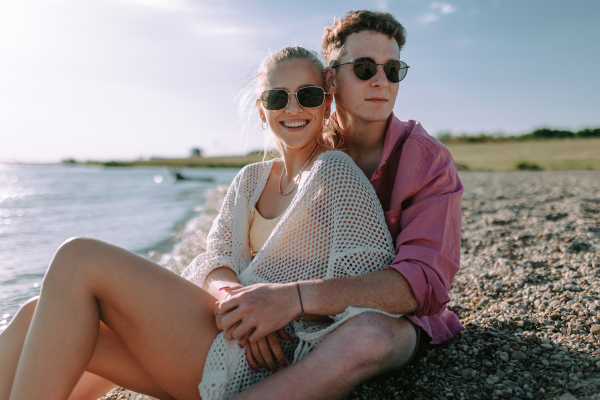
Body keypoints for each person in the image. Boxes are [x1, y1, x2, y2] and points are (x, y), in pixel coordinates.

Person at [0, 46, 402, 400]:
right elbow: (214, 258)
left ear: (327, 105)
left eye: (308, 95)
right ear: (263, 110)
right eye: (278, 97)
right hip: (221, 328)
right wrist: (234, 297)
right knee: (37, 312)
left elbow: (363, 281)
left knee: (78, 258)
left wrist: (275, 311)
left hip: (265, 359)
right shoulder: (249, 179)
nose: (293, 108)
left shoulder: (336, 172)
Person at [212, 10, 464, 400]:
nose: (381, 81)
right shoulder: (309, 143)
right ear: (331, 78)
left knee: (367, 334)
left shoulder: (428, 161)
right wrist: (256, 303)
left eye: (392, 69)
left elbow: (425, 285)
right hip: (292, 312)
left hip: (391, 320)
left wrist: (291, 300)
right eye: (364, 68)